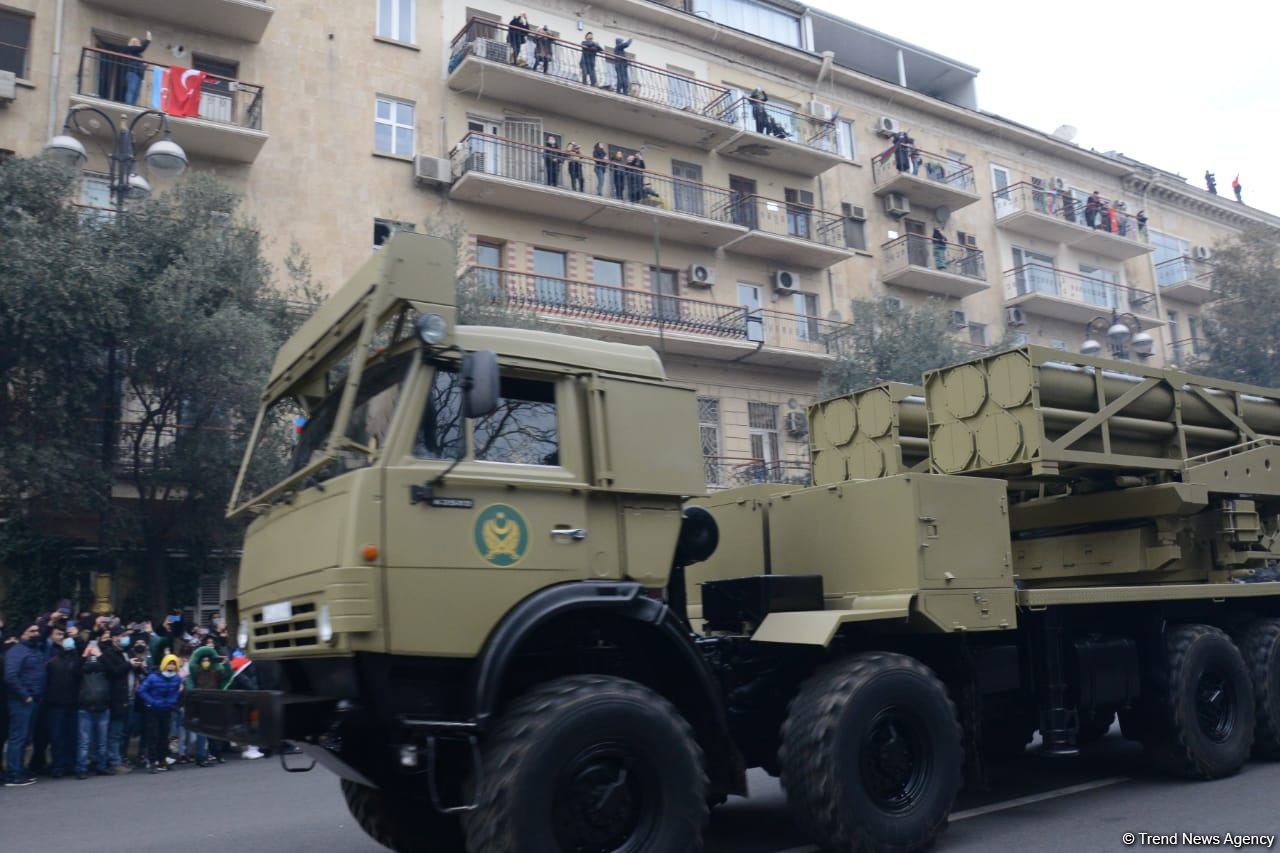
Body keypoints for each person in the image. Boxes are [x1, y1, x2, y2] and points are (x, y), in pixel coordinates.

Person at [4, 623, 46, 786]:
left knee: (26, 738)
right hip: (21, 701)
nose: (36, 633)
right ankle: (13, 774)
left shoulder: (35, 650)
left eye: (37, 631)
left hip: (34, 700)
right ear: (23, 634)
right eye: (32, 631)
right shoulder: (17, 651)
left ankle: (20, 769)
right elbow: (11, 676)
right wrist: (25, 695)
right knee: (18, 738)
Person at [44, 635, 82, 778]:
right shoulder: (52, 662)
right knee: (58, 736)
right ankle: (58, 765)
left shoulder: (76, 660)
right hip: (56, 704)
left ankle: (68, 764)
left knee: (70, 736)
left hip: (71, 703)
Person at [137, 653, 182, 772]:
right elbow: (142, 690)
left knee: (164, 736)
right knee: (153, 736)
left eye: (173, 664)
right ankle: (152, 761)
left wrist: (172, 702)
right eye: (169, 663)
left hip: (166, 710)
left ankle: (162, 760)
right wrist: (152, 702)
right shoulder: (153, 677)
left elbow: (176, 692)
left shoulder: (177, 678)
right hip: (153, 710)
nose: (171, 666)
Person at [75, 636, 112, 779]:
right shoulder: (83, 664)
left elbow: (112, 670)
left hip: (103, 706)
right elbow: (75, 672)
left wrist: (100, 655)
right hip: (86, 707)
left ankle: (101, 765)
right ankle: (81, 767)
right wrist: (84, 655)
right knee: (84, 741)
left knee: (102, 741)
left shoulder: (104, 662)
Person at [184, 645, 228, 767]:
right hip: (201, 705)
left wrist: (223, 663)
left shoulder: (215, 672)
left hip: (214, 704)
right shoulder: (196, 672)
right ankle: (201, 757)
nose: (206, 662)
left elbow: (226, 676)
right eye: (203, 660)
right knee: (201, 734)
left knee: (215, 732)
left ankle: (217, 754)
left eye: (208, 660)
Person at [101, 626, 132, 773]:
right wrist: (129, 664)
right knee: (114, 732)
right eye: (121, 635)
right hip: (114, 698)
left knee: (120, 732)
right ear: (114, 638)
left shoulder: (124, 653)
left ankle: (118, 758)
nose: (124, 638)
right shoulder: (109, 653)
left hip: (125, 696)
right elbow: (114, 671)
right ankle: (114, 761)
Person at [98, 31, 151, 105]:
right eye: (134, 41)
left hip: (138, 74)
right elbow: (142, 48)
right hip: (133, 72)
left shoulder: (137, 54)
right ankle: (129, 106)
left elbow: (138, 63)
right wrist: (148, 40)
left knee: (136, 93)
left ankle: (132, 106)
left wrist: (144, 66)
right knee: (132, 90)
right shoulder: (130, 49)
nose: (136, 43)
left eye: (137, 41)